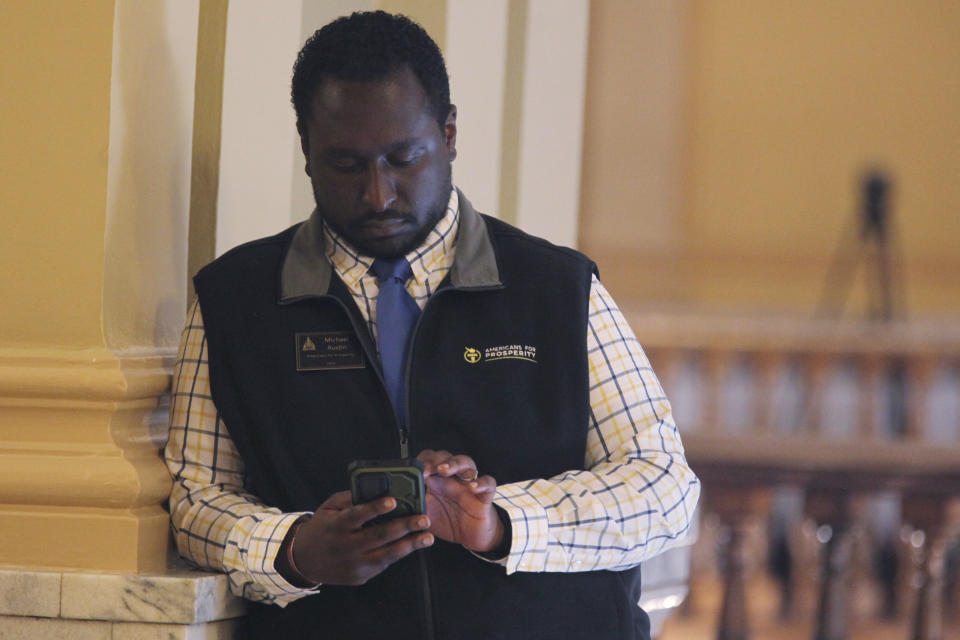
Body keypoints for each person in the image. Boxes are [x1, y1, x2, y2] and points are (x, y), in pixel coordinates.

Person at [166, 10, 699, 640]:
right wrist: (293, 549)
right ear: (306, 148)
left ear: (448, 134)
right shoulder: (235, 300)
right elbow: (195, 498)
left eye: (402, 157)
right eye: (346, 164)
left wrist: (501, 523)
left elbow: (663, 486)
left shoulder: (556, 287)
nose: (378, 194)